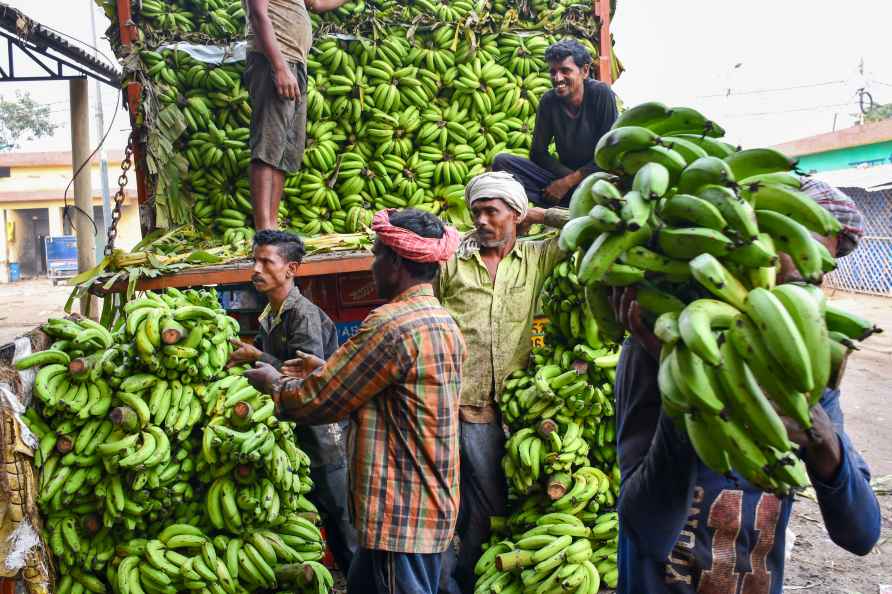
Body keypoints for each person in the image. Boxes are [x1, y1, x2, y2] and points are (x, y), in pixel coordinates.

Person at [611, 183, 879, 593]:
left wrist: (823, 439)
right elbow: (647, 530)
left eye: (824, 262)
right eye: (799, 244)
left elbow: (861, 534)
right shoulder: (659, 349)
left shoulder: (804, 363)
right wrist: (685, 393)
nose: (814, 270)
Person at [243, 209, 466, 594]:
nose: (372, 265)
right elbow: (390, 392)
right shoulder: (443, 321)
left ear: (396, 262)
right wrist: (326, 368)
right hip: (430, 499)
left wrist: (273, 382)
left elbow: (321, 401)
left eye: (377, 254)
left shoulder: (390, 324)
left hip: (401, 512)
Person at [436, 171, 570, 594]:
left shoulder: (536, 256)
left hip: (508, 408)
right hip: (454, 402)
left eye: (492, 211)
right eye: (476, 211)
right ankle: (451, 579)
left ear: (515, 215)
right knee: (447, 504)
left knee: (489, 503)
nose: (481, 220)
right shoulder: (452, 260)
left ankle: (468, 577)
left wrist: (541, 213)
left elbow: (591, 221)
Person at [226, 229, 357, 573]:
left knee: (342, 521)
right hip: (298, 433)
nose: (256, 269)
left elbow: (307, 379)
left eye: (266, 262)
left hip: (323, 437)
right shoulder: (271, 315)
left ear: (291, 269)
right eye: (254, 260)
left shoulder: (302, 315)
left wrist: (259, 357)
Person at [244, 0, 349, 229]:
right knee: (268, 145)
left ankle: (272, 224)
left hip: (295, 62)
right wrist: (280, 67)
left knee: (284, 150)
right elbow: (258, 15)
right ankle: (263, 229)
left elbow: (317, 3)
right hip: (274, 61)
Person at [492, 39, 618, 208]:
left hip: (599, 179)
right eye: (553, 72)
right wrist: (564, 180)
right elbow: (538, 154)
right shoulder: (548, 101)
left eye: (565, 71)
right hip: (567, 179)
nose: (557, 78)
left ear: (585, 71)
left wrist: (568, 182)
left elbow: (609, 155)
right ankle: (563, 202)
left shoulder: (600, 94)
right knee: (502, 162)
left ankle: (571, 202)